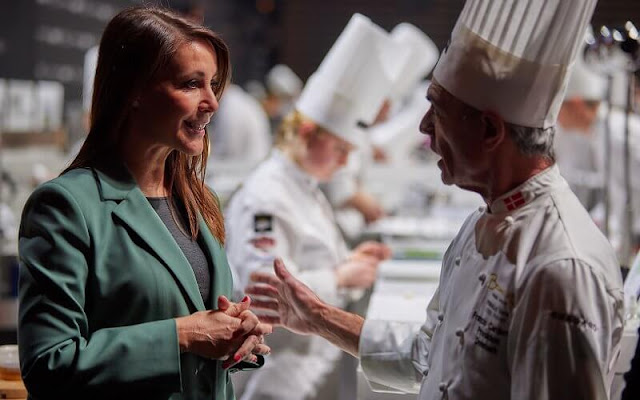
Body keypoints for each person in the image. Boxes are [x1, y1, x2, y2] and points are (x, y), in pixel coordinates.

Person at [246, 1, 625, 399]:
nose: (425, 127)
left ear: (490, 130)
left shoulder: (560, 268)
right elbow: (427, 356)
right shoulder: (481, 223)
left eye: (438, 110)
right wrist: (319, 317)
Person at [18, 6, 271, 400]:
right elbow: (48, 364)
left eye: (214, 85)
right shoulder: (66, 207)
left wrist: (238, 334)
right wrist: (183, 335)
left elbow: (203, 323)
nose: (212, 103)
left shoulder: (200, 202)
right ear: (134, 91)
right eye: (191, 84)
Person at [224, 14, 404, 400]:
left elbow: (308, 259)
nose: (343, 163)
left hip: (315, 365)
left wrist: (349, 259)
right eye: (339, 149)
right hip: (278, 380)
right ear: (307, 132)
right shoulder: (266, 195)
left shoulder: (305, 187)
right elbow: (262, 295)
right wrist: (341, 277)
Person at [554, 53, 606, 210]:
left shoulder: (617, 136)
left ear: (576, 104)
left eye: (558, 109)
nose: (555, 117)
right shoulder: (580, 134)